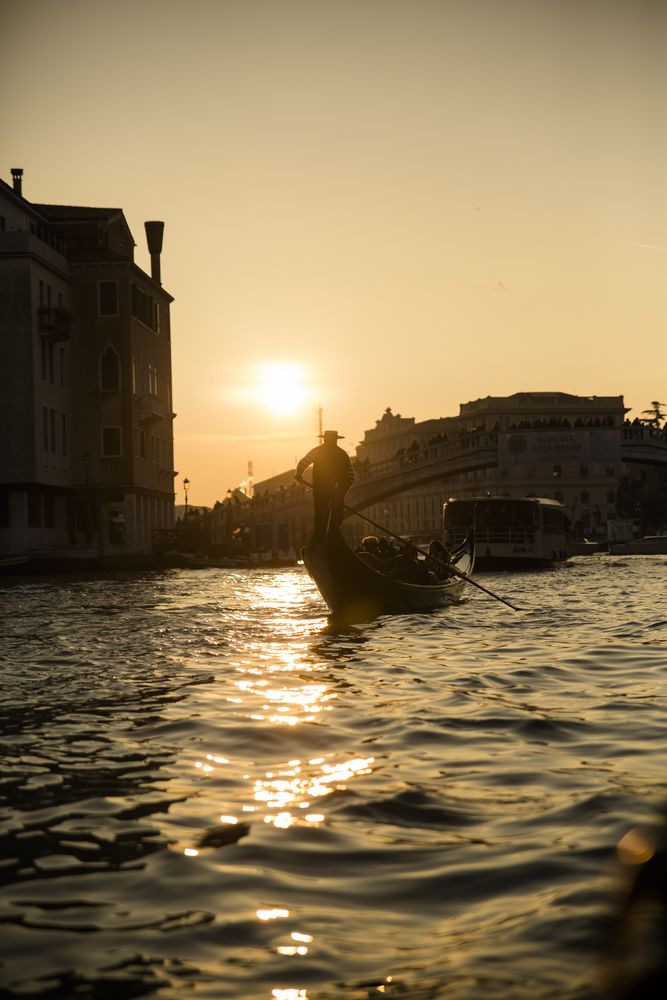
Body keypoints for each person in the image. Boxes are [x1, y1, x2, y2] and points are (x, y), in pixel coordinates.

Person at [295, 430, 354, 525]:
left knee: (320, 518)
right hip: (336, 493)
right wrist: (341, 492)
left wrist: (299, 475)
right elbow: (350, 477)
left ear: (325, 439)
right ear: (336, 440)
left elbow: (303, 463)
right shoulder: (343, 454)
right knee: (336, 521)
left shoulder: (317, 451)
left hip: (320, 491)